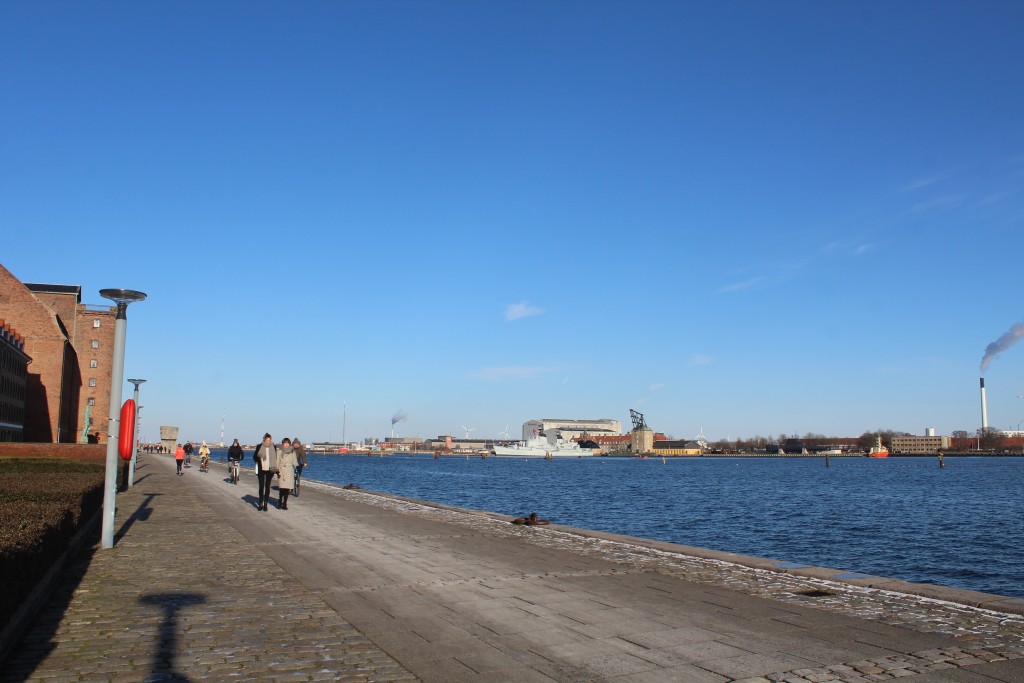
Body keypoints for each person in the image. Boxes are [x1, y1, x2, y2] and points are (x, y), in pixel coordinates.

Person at [253, 433, 277, 511]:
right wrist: (259, 456)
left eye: (269, 440)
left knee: (267, 487)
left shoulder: (273, 447)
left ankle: (265, 503)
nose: (268, 441)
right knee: (261, 486)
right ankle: (260, 503)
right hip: (261, 469)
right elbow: (254, 457)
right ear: (264, 439)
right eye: (266, 440)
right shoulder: (259, 446)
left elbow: (276, 458)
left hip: (270, 469)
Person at [276, 438, 298, 509]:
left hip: (289, 471)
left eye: (288, 443)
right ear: (283, 444)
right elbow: (277, 461)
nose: (286, 444)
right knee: (282, 488)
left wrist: (298, 466)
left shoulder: (292, 452)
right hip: (281, 470)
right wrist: (277, 469)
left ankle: (285, 503)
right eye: (285, 443)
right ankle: (280, 501)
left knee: (287, 489)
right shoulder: (279, 451)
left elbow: (294, 461)